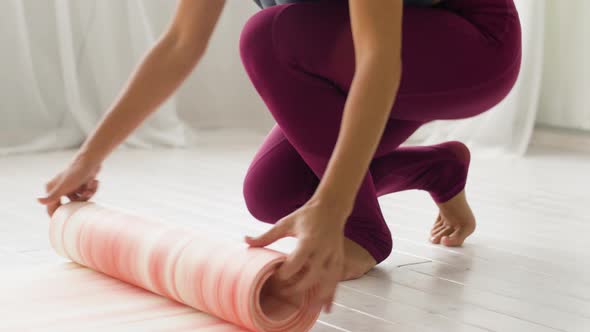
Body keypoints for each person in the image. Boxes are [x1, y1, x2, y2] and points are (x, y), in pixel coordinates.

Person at [38, 0, 522, 314]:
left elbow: (378, 58)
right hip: (390, 59)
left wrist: (337, 212)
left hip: (474, 48)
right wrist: (89, 156)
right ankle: (437, 168)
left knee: (267, 33)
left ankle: (363, 231)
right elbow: (180, 45)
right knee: (275, 192)